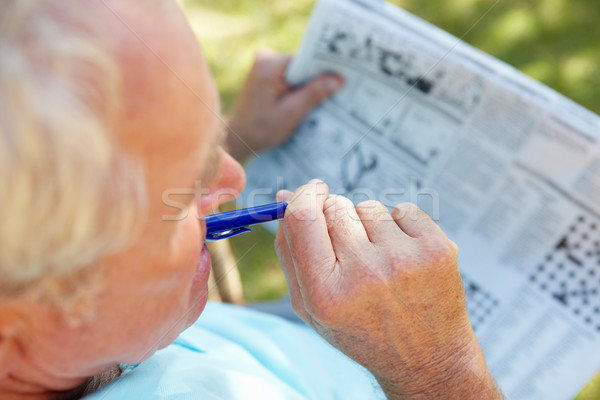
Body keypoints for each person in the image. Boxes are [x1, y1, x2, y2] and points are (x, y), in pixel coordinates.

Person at [0, 0, 504, 399]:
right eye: (176, 198)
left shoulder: (85, 335)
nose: (234, 178)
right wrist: (439, 371)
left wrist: (228, 136)